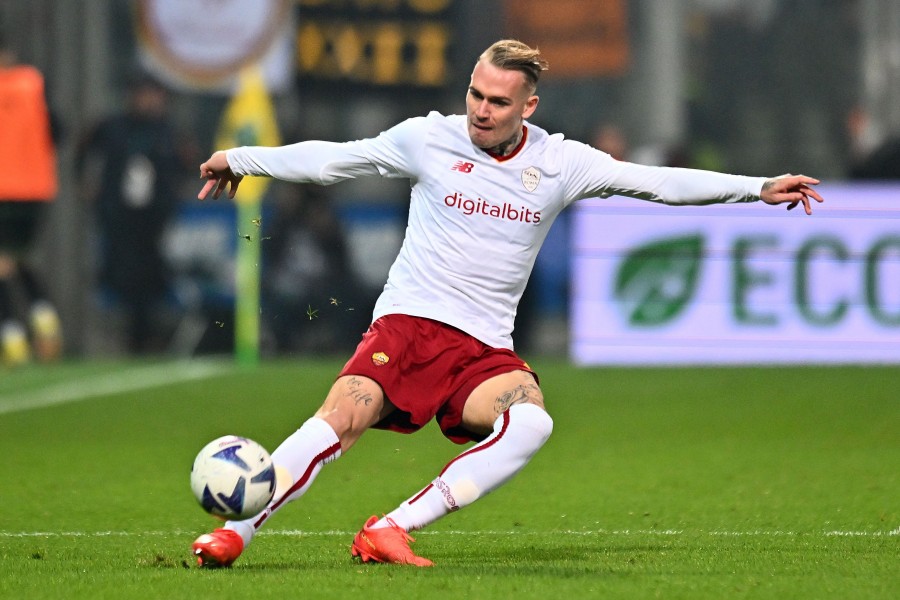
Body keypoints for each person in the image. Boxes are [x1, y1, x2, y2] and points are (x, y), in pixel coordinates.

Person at [191, 39, 823, 568]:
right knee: (343, 416)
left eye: (498, 102)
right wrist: (240, 158)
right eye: (475, 95)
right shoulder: (428, 140)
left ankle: (391, 527)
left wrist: (756, 188)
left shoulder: (560, 163)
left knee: (533, 421)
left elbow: (655, 183)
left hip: (484, 349)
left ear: (529, 105)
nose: (481, 112)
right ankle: (234, 532)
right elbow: (335, 161)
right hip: (409, 324)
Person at [78, 75, 183, 354]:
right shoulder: (113, 126)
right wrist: (86, 184)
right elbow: (84, 149)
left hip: (153, 219)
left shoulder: (167, 131)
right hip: (120, 217)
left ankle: (146, 337)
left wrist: (171, 199)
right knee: (121, 275)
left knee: (151, 278)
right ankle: (131, 338)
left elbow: (184, 164)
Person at [0, 41, 63, 365]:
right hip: (36, 188)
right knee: (20, 259)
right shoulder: (34, 82)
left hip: (3, 188)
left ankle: (12, 338)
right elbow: (57, 131)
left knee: (3, 265)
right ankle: (45, 318)